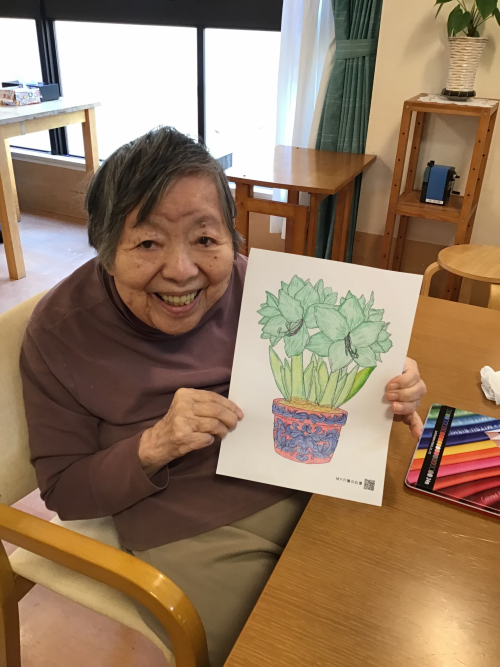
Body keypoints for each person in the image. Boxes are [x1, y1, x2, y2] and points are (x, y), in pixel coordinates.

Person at [20, 127, 426, 666]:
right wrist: (155, 444)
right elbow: (65, 492)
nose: (182, 270)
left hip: (311, 481)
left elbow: (330, 369)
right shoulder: (60, 333)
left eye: (205, 239)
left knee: (403, 601)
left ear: (232, 239)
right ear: (106, 249)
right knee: (293, 649)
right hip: (189, 522)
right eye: (148, 243)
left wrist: (387, 385)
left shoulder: (256, 285)